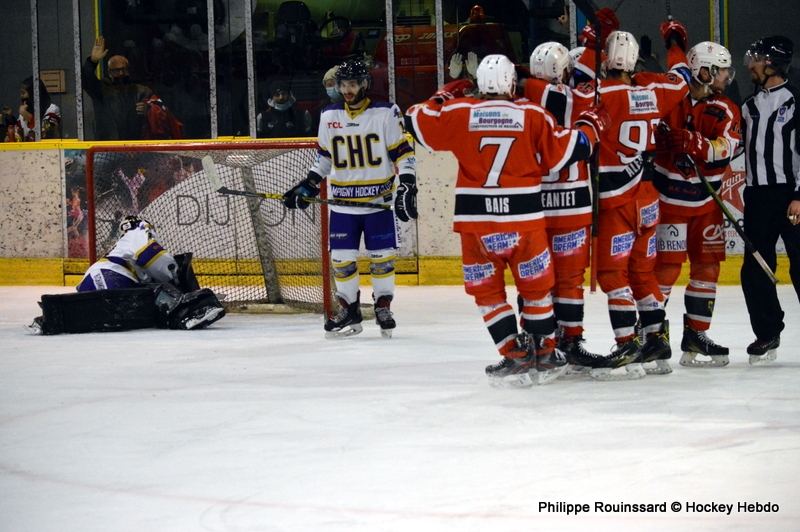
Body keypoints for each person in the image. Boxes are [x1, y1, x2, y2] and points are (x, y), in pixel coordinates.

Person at [405, 54, 608, 386]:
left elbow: (414, 119)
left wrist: (443, 96)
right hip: (525, 223)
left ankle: (513, 354)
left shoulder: (460, 112)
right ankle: (546, 354)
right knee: (536, 290)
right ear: (512, 84)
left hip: (477, 226)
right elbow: (570, 150)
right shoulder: (532, 114)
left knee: (488, 294)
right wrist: (590, 126)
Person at [282, 60, 417, 339]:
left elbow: (403, 153)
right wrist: (309, 185)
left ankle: (383, 307)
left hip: (377, 203)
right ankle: (349, 310)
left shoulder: (386, 112)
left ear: (365, 84)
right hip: (343, 205)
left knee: (382, 259)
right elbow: (325, 157)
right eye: (342, 85)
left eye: (352, 84)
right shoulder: (328, 115)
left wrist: (407, 184)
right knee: (342, 261)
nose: (347, 90)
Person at [585, 25, 691, 378]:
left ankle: (627, 343)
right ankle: (656, 342)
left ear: (606, 61)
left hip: (617, 198)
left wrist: (588, 45)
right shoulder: (654, 89)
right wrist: (674, 43)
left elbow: (565, 95)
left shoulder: (598, 93)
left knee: (612, 273)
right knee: (642, 272)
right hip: (648, 196)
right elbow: (683, 77)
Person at [653, 41, 741, 368]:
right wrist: (660, 141)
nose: (726, 76)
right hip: (670, 201)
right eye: (721, 70)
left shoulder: (725, 108)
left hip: (706, 203)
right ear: (703, 71)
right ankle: (652, 335)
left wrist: (693, 141)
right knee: (666, 269)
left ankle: (696, 335)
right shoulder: (670, 99)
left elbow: (727, 148)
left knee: (707, 268)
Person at [524, 42, 602, 368]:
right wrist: (594, 48)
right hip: (572, 203)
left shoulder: (522, 101)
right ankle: (571, 342)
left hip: (533, 205)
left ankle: (538, 342)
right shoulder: (575, 98)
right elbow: (592, 94)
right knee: (569, 281)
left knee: (534, 279)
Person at [27, 215, 225, 335]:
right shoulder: (138, 231)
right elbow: (151, 257)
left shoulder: (121, 246)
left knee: (95, 311)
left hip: (91, 280)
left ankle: (53, 318)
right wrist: (173, 275)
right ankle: (186, 313)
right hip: (111, 277)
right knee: (158, 293)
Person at [740, 36, 800, 364]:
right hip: (757, 198)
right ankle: (767, 333)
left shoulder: (794, 101)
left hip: (791, 197)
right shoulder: (748, 106)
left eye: (757, 59)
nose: (751, 64)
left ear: (772, 64)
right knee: (756, 269)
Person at [82, 36, 179, 140]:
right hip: (107, 145)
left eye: (124, 70)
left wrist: (148, 110)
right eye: (116, 70)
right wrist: (93, 61)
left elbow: (162, 111)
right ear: (109, 72)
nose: (121, 73)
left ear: (129, 70)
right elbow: (85, 80)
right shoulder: (101, 90)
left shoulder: (141, 91)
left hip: (135, 145)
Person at [4, 77, 61, 141]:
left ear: (33, 94)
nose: (21, 96)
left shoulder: (52, 110)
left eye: (23, 93)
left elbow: (46, 133)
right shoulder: (23, 114)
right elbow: (17, 134)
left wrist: (25, 114)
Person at [312, 66, 342, 133]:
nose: (333, 88)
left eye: (336, 84)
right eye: (329, 85)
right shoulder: (320, 110)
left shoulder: (352, 106)